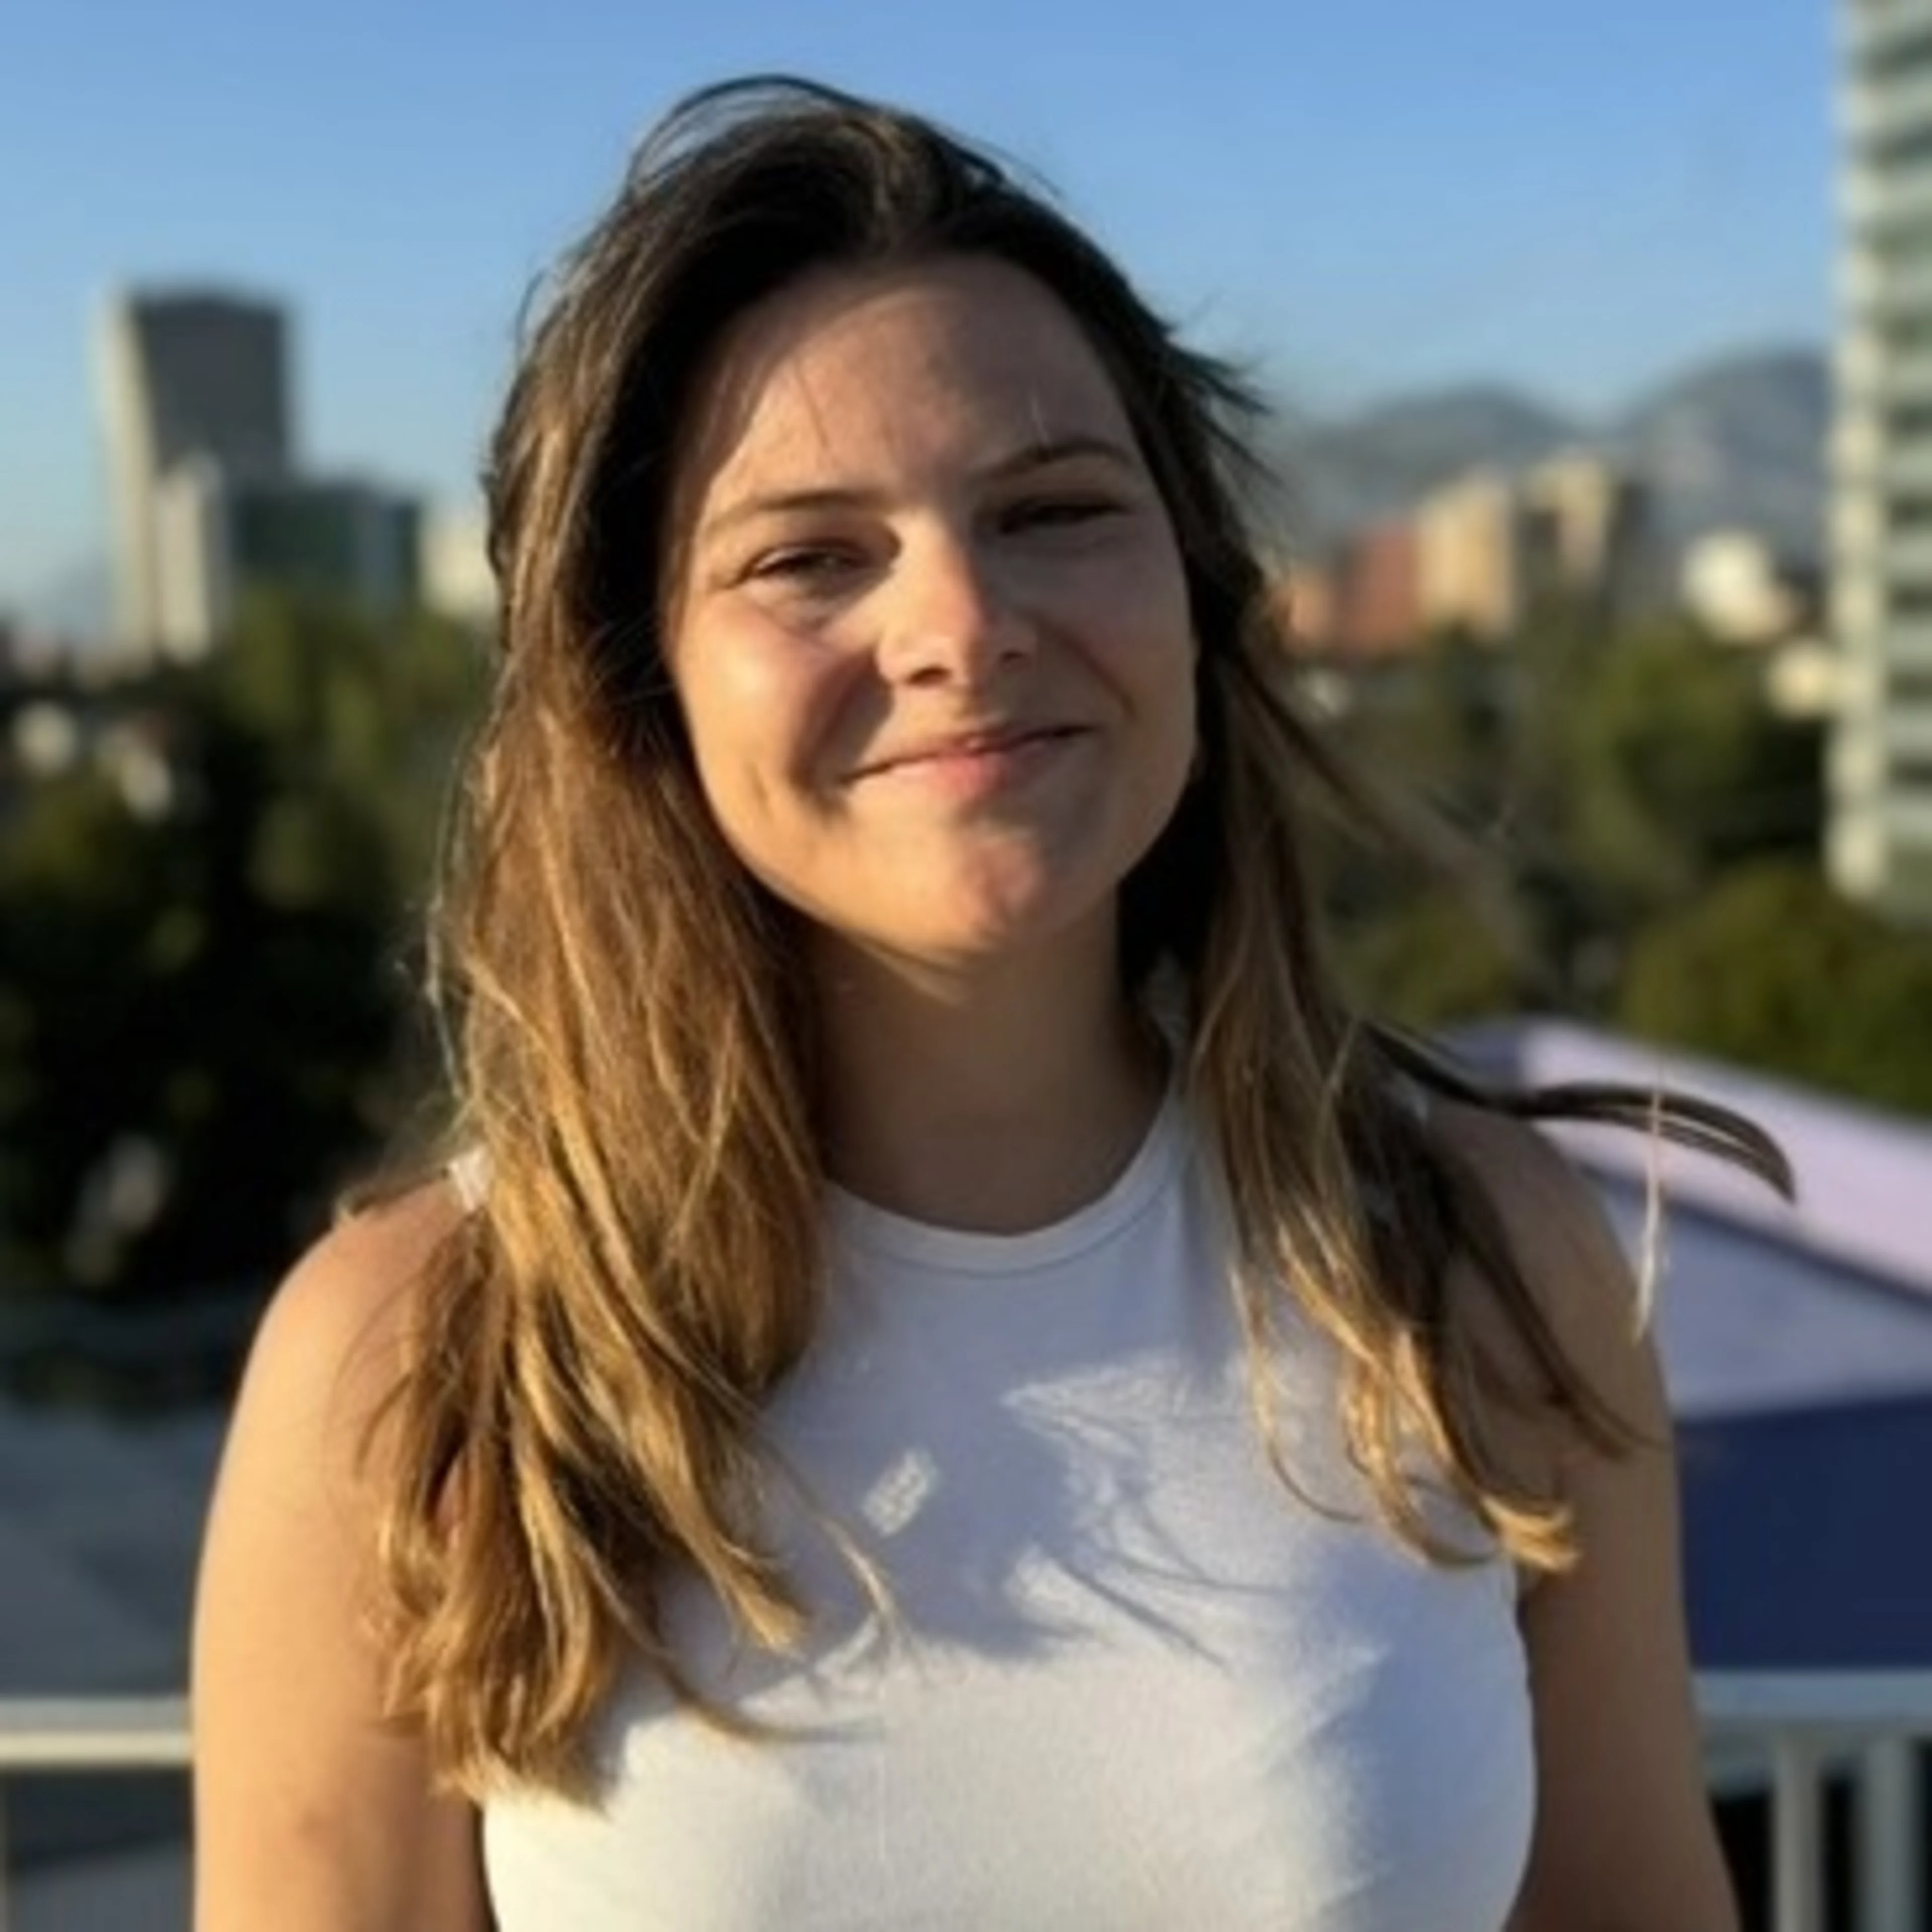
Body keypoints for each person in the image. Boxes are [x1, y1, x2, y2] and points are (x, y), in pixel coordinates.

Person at [191, 75, 1786, 1931]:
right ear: (644, 685)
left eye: (1053, 510)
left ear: (1199, 601)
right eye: (809, 556)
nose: (961, 624)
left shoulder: (1477, 1266)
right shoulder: (422, 1360)